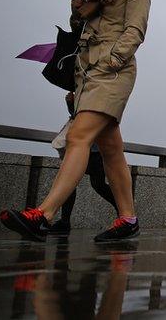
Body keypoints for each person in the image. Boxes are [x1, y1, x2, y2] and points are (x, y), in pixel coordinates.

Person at [1, 0, 149, 242]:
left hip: (113, 72)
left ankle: (44, 214)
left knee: (78, 136)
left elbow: (135, 31)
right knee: (110, 148)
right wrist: (77, 12)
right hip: (85, 73)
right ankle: (128, 218)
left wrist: (110, 61)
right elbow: (79, 32)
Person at [50, 92, 117, 235]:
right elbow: (79, 115)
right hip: (81, 146)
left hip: (94, 149)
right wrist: (71, 103)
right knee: (71, 183)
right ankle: (64, 221)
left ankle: (124, 213)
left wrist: (72, 104)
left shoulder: (100, 89)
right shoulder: (84, 87)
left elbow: (90, 115)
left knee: (97, 184)